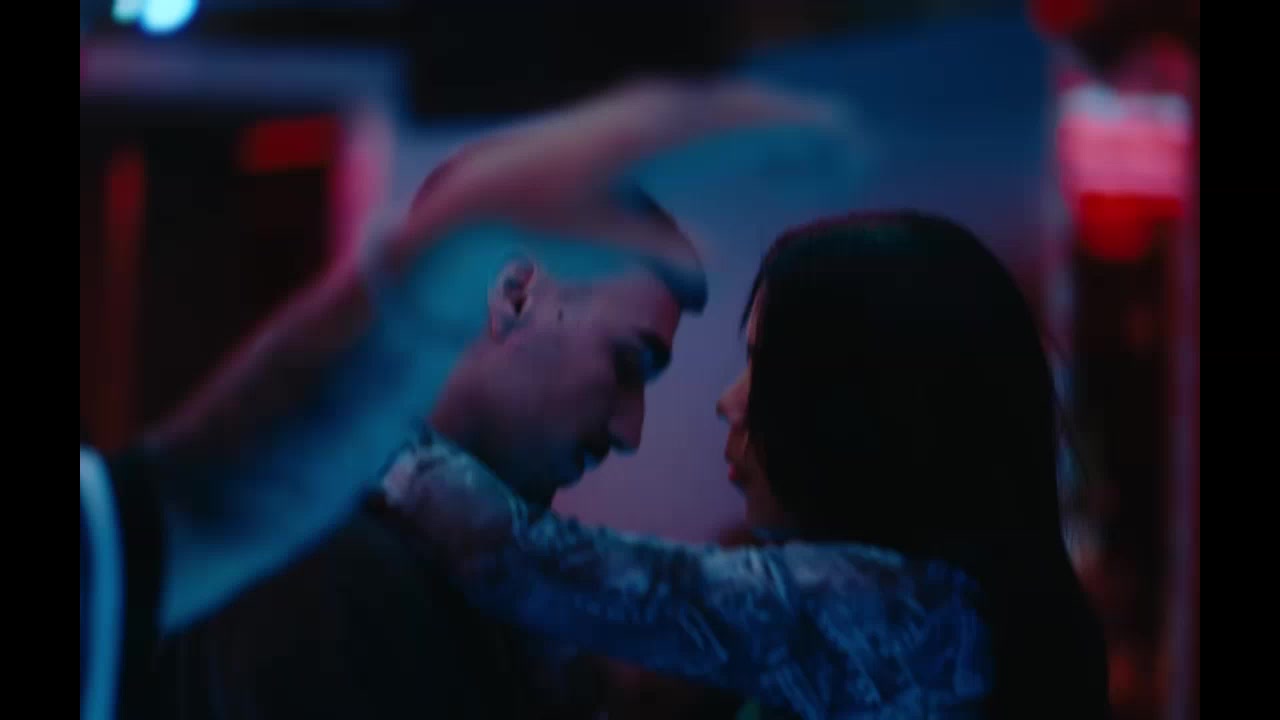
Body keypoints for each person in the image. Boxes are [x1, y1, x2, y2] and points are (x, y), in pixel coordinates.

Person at [117, 80, 844, 720]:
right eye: (626, 364)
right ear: (514, 294)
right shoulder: (328, 556)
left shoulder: (461, 559)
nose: (630, 428)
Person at [382, 211, 1112, 719]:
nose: (729, 402)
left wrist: (361, 423)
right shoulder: (942, 616)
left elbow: (534, 565)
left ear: (858, 404)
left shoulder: (896, 612)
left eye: (763, 363)